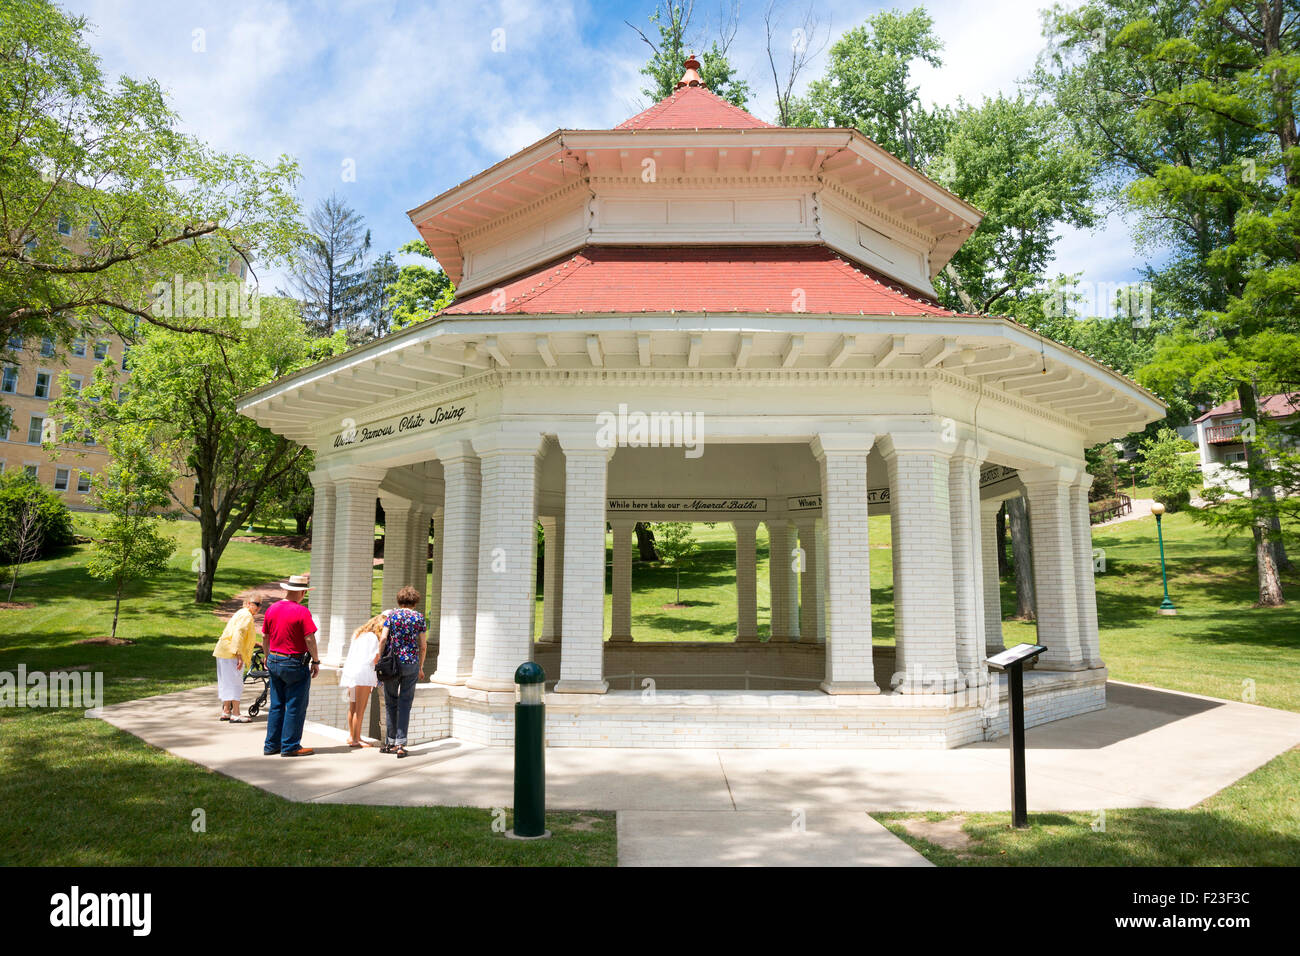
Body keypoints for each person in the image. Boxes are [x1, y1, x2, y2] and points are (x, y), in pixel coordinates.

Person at [261, 574, 319, 757]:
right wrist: (316, 661)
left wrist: (267, 656)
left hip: (274, 659)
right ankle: (290, 745)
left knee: (277, 704)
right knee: (295, 704)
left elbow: (265, 637)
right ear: (302, 592)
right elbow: (309, 638)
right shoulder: (302, 611)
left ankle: (271, 745)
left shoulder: (272, 609)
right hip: (294, 662)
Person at [376, 586, 427, 757]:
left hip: (393, 664)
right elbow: (423, 645)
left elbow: (383, 638)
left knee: (391, 702)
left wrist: (380, 657)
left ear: (399, 600)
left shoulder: (392, 615)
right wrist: (420, 666)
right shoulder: (418, 617)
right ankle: (400, 744)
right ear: (415, 601)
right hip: (411, 664)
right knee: (405, 703)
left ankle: (390, 742)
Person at [212, 597, 261, 723]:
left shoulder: (241, 613)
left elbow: (239, 635)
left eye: (260, 604)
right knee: (236, 683)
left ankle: (226, 711)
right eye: (257, 604)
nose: (259, 607)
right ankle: (236, 714)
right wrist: (239, 655)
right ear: (249, 603)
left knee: (227, 682)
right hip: (232, 653)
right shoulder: (247, 616)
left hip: (224, 651)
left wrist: (259, 645)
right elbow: (238, 634)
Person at [341, 615, 383, 748]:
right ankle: (356, 739)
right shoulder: (373, 638)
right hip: (363, 675)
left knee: (352, 707)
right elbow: (375, 658)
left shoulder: (358, 634)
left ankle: (352, 736)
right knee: (360, 708)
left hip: (350, 674)